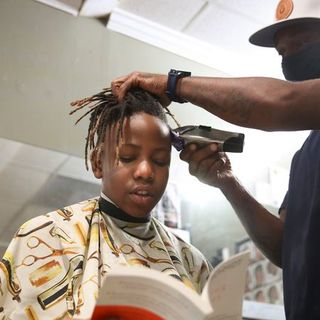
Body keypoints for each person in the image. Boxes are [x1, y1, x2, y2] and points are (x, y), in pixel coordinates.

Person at [110, 0, 320, 319]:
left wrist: (175, 84)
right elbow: (285, 250)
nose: (291, 59)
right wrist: (227, 182)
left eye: (303, 43)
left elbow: (280, 103)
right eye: (282, 53)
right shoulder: (304, 158)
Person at [0, 88, 212, 319]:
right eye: (128, 157)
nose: (146, 171)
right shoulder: (47, 237)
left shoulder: (191, 261)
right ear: (98, 163)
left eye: (160, 161)